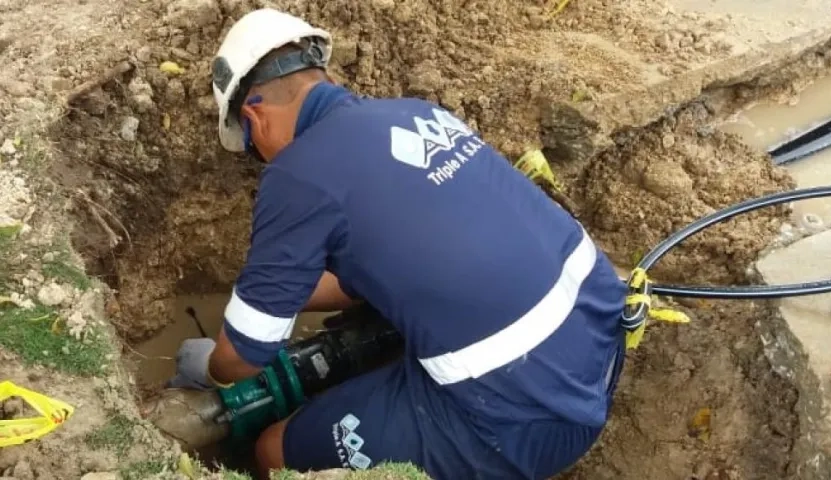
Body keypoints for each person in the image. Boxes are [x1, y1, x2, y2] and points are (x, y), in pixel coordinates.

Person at [168, 7, 629, 480]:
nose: (260, 159)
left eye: (249, 147)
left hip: (514, 420)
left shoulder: (297, 175)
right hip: (599, 353)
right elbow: (377, 274)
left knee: (272, 451)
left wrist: (210, 369)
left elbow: (243, 360)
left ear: (253, 116)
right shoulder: (418, 113)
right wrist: (273, 297)